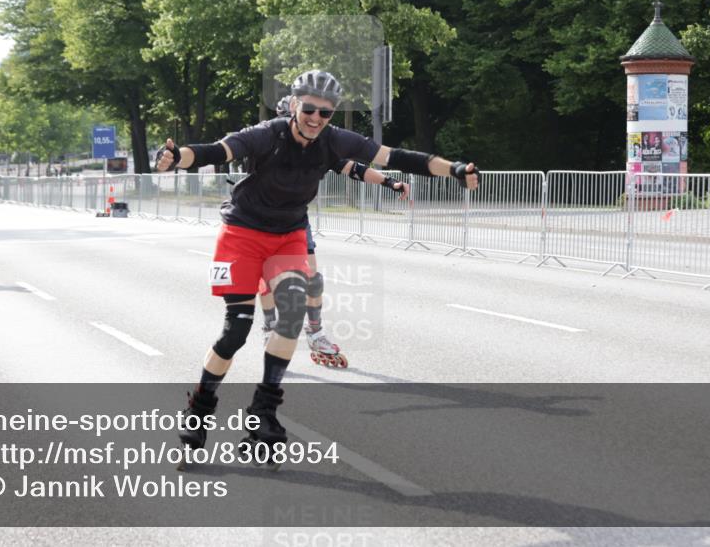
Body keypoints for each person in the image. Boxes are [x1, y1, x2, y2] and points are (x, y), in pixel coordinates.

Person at [156, 70, 478, 466]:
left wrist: (456, 169)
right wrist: (177, 158)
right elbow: (214, 150)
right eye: (308, 109)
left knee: (291, 319)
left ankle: (263, 413)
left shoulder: (334, 141)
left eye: (325, 113)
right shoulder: (266, 134)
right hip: (241, 233)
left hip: (288, 235)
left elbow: (398, 157)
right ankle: (201, 407)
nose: (315, 118)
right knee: (235, 331)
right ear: (293, 105)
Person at [258, 96, 411, 368]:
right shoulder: (267, 145)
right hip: (262, 221)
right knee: (267, 280)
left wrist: (390, 182)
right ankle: (270, 328)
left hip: (295, 221)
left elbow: (354, 169)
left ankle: (315, 333)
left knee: (313, 279)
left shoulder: (318, 148)